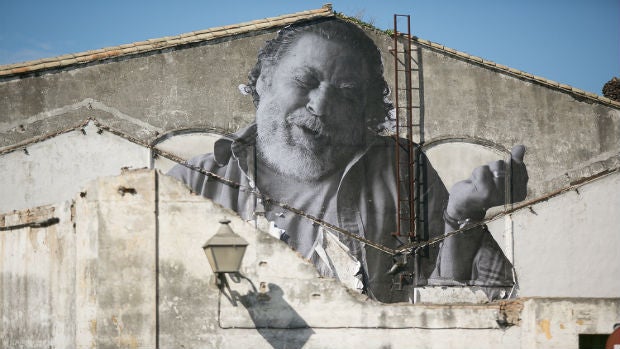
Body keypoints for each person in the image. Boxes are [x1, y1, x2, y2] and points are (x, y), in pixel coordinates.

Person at [167, 19, 528, 303]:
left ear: (364, 110)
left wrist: (463, 217)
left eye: (347, 93)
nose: (321, 107)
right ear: (264, 79)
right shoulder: (192, 183)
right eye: (304, 80)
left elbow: (482, 303)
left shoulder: (403, 171)